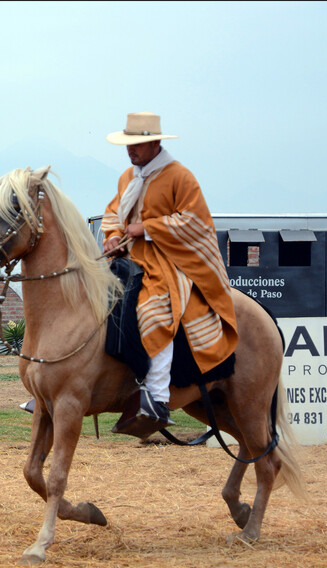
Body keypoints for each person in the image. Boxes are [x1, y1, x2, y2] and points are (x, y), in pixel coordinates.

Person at [101, 112, 238, 434]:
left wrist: (147, 228)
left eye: (136, 144)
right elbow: (112, 212)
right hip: (132, 259)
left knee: (153, 313)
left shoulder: (180, 176)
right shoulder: (127, 177)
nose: (130, 150)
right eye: (128, 144)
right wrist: (112, 236)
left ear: (155, 143)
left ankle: (157, 398)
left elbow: (195, 221)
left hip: (171, 263)